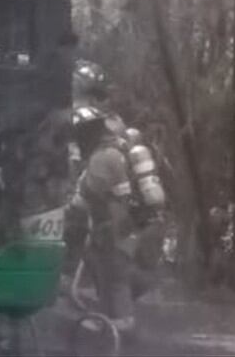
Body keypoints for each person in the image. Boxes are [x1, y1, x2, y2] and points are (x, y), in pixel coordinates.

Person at [71, 105, 138, 334]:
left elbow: (89, 196)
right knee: (108, 275)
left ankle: (119, 327)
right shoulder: (115, 153)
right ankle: (109, 322)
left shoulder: (101, 158)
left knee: (113, 276)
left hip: (111, 227)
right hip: (119, 226)